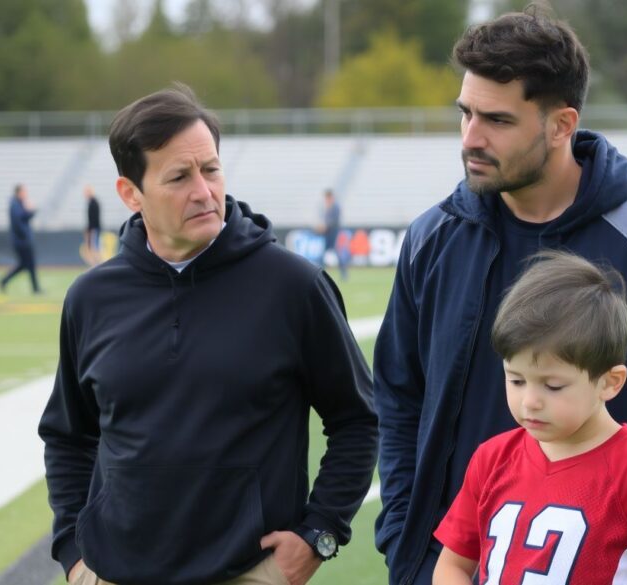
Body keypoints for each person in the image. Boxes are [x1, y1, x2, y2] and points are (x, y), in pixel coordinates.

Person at [373, 6, 627, 585]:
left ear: (562, 124)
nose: (471, 138)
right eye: (464, 113)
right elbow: (397, 396)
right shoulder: (430, 239)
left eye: (497, 119)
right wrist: (402, 537)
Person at [38, 84, 378, 585]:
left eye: (211, 169)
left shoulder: (292, 286)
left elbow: (358, 421)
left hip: (249, 572)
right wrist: (73, 553)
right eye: (179, 176)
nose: (204, 191)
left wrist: (319, 534)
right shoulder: (91, 299)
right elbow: (68, 436)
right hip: (112, 573)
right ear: (131, 194)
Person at [433, 251, 627, 585]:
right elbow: (453, 566)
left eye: (553, 385)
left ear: (610, 382)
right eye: (516, 380)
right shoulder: (491, 458)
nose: (530, 402)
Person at [0, 183, 41, 294]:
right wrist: (31, 211)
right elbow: (18, 222)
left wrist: (31, 211)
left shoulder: (18, 203)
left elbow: (24, 217)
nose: (25, 194)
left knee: (24, 265)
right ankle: (35, 289)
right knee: (29, 264)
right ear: (19, 192)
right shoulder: (15, 204)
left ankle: (4, 281)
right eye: (24, 192)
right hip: (21, 241)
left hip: (22, 240)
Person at [317, 188, 348, 281]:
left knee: (335, 253)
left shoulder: (335, 207)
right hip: (328, 233)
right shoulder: (328, 207)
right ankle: (321, 273)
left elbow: (334, 221)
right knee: (325, 254)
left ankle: (343, 273)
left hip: (333, 233)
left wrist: (326, 227)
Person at [83, 184, 102, 266]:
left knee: (95, 247)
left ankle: (96, 265)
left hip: (94, 229)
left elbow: (93, 219)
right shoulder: (93, 202)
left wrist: (89, 230)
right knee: (94, 247)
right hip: (94, 228)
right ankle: (96, 265)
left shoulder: (93, 203)